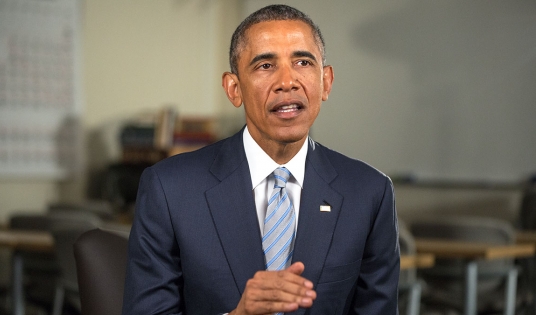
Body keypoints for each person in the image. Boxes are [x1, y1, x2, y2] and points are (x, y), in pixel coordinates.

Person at [123, 4, 399, 315]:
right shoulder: (169, 189)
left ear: (326, 82)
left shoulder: (369, 192)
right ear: (234, 88)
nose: (287, 81)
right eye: (265, 66)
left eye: (303, 62)